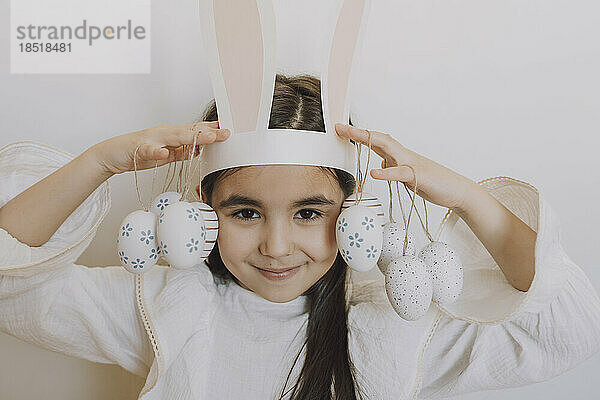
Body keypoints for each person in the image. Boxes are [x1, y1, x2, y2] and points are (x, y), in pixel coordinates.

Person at [1, 74, 599, 400]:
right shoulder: (164, 309)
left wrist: (468, 196)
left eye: (310, 213)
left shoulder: (395, 328)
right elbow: (11, 289)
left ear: (352, 211)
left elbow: (567, 332)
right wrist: (99, 162)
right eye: (245, 212)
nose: (277, 246)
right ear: (204, 208)